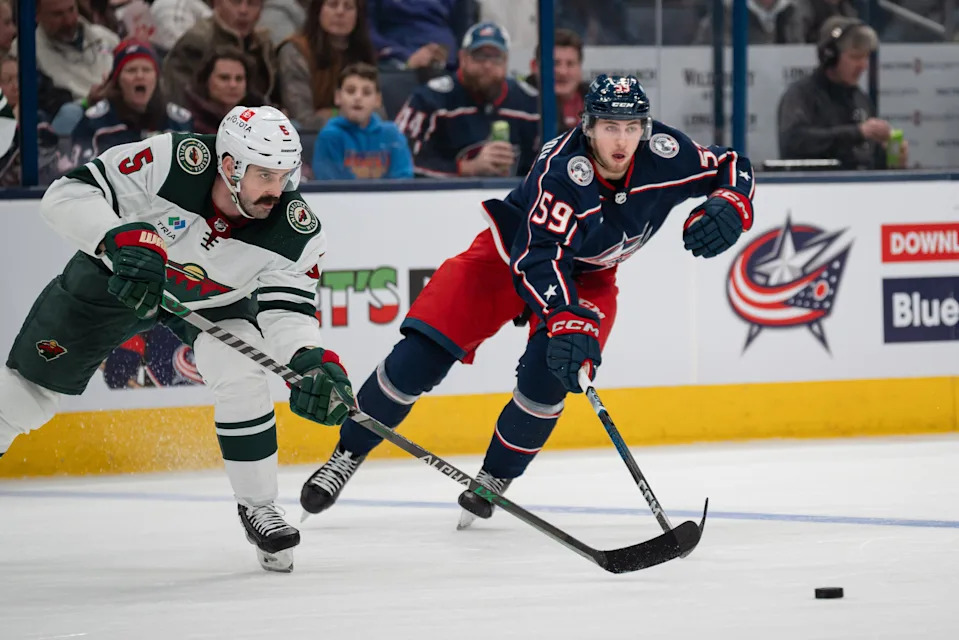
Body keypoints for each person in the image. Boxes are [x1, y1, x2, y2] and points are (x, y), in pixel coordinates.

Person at [299, 74, 755, 528]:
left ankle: (493, 480)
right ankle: (348, 453)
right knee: (421, 355)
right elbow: (539, 257)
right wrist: (563, 316)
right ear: (588, 126)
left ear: (645, 127)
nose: (622, 139)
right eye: (610, 127)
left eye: (632, 127)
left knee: (551, 376)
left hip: (591, 277)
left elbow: (733, 164)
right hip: (508, 254)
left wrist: (733, 201)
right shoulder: (562, 169)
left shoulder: (665, 153)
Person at [0, 105, 355, 573]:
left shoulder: (296, 230)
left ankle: (258, 507)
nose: (279, 189)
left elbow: (287, 312)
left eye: (286, 174)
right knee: (28, 396)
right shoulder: (170, 159)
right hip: (120, 278)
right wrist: (116, 238)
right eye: (266, 175)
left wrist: (311, 360)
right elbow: (65, 195)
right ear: (229, 165)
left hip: (214, 303)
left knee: (242, 372)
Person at [393, 21, 540, 178]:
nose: (487, 65)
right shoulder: (430, 99)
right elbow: (399, 159)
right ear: (462, 58)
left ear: (506, 61)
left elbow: (549, 164)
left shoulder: (530, 103)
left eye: (496, 57)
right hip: (442, 199)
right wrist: (465, 169)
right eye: (479, 56)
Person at [778, 16, 907, 169]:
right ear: (830, 57)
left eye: (866, 57)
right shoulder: (801, 95)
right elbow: (794, 141)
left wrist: (892, 158)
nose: (863, 65)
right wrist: (857, 133)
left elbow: (868, 159)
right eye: (855, 57)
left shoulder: (860, 98)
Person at [73, 40, 193, 161]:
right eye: (131, 70)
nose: (139, 76)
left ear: (156, 78)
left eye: (146, 70)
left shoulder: (179, 121)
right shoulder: (95, 122)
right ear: (118, 80)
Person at [276, 0, 376, 133]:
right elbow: (303, 117)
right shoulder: (295, 51)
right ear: (318, 10)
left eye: (348, 7)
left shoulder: (363, 53)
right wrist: (352, 115)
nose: (340, 12)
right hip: (309, 137)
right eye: (333, 5)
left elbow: (378, 112)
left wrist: (334, 113)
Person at [163, 0, 276, 107]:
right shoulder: (197, 41)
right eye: (235, 2)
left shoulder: (263, 44)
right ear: (217, 3)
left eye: (252, 3)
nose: (243, 10)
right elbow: (179, 97)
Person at [312, 62, 413, 179]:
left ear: (377, 100)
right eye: (351, 91)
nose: (358, 97)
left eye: (366, 92)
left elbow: (403, 182)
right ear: (338, 97)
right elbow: (329, 187)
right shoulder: (329, 137)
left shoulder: (392, 134)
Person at [184, 47, 265, 134]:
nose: (233, 85)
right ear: (206, 80)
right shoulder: (186, 120)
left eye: (239, 79)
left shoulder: (262, 117)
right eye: (224, 78)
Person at [525, 29, 588, 138]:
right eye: (555, 63)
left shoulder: (598, 101)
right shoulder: (521, 103)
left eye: (570, 64)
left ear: (580, 69)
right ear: (535, 67)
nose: (563, 72)